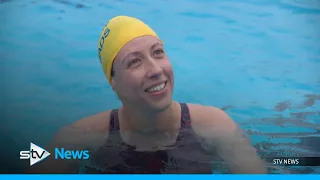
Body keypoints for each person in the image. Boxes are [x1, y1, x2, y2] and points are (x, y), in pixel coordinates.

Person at [26, 16, 267, 174]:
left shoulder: (214, 127)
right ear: (114, 82)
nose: (155, 70)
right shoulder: (77, 140)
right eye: (134, 62)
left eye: (158, 52)